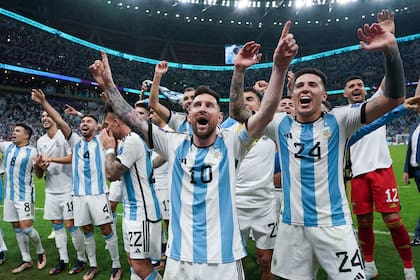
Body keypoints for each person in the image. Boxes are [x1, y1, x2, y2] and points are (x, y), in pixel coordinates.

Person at [89, 20, 297, 279]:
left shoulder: (233, 142)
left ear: (219, 117)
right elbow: (131, 117)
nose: (201, 108)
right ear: (188, 116)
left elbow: (266, 112)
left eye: (209, 105)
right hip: (180, 258)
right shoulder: (173, 143)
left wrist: (274, 67)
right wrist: (108, 85)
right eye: (197, 104)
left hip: (223, 259)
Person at [229, 10, 407, 279]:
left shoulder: (341, 120)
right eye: (300, 85)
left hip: (334, 226)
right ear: (292, 93)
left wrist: (391, 49)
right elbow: (239, 113)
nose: (305, 89)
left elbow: (393, 98)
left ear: (324, 95)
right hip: (291, 227)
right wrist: (239, 70)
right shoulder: (280, 124)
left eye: (313, 85)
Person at [31, 89, 122, 280]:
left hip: (98, 194)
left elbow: (113, 118)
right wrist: (44, 103)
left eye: (89, 121)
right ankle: (93, 265)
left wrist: (109, 101)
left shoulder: (101, 141)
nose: (84, 124)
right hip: (79, 196)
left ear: (97, 126)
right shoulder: (75, 142)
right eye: (82, 122)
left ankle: (116, 264)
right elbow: (61, 122)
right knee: (86, 230)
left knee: (106, 229)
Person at [99, 104, 162, 280]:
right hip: (132, 211)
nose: (106, 129)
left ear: (117, 122)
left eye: (107, 125)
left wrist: (109, 148)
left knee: (141, 266)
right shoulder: (127, 141)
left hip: (143, 213)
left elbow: (111, 174)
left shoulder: (132, 140)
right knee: (133, 262)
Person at [222, 85, 277, 280]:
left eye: (251, 99)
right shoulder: (228, 132)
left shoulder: (273, 130)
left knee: (265, 258)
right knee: (238, 257)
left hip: (265, 205)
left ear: (261, 105)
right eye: (242, 99)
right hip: (236, 205)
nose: (245, 102)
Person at [33, 110, 87, 275]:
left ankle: (81, 259)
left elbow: (73, 157)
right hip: (51, 190)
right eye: (42, 116)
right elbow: (40, 175)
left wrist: (51, 159)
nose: (44, 118)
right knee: (56, 225)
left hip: (67, 188)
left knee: (70, 225)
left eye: (47, 115)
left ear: (54, 117)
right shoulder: (40, 141)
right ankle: (63, 259)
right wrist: (38, 165)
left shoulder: (64, 136)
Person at [0, 123, 47, 274]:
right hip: (10, 196)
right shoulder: (7, 146)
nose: (13, 132)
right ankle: (26, 260)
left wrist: (40, 166)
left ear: (26, 135)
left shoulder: (33, 152)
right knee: (16, 227)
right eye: (13, 130)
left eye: (17, 131)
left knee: (26, 227)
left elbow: (39, 175)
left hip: (25, 195)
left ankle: (40, 251)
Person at [145, 62, 195, 134]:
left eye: (192, 97)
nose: (189, 101)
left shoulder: (212, 120)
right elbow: (153, 104)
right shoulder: (178, 120)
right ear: (183, 105)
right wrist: (158, 75)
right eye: (186, 99)